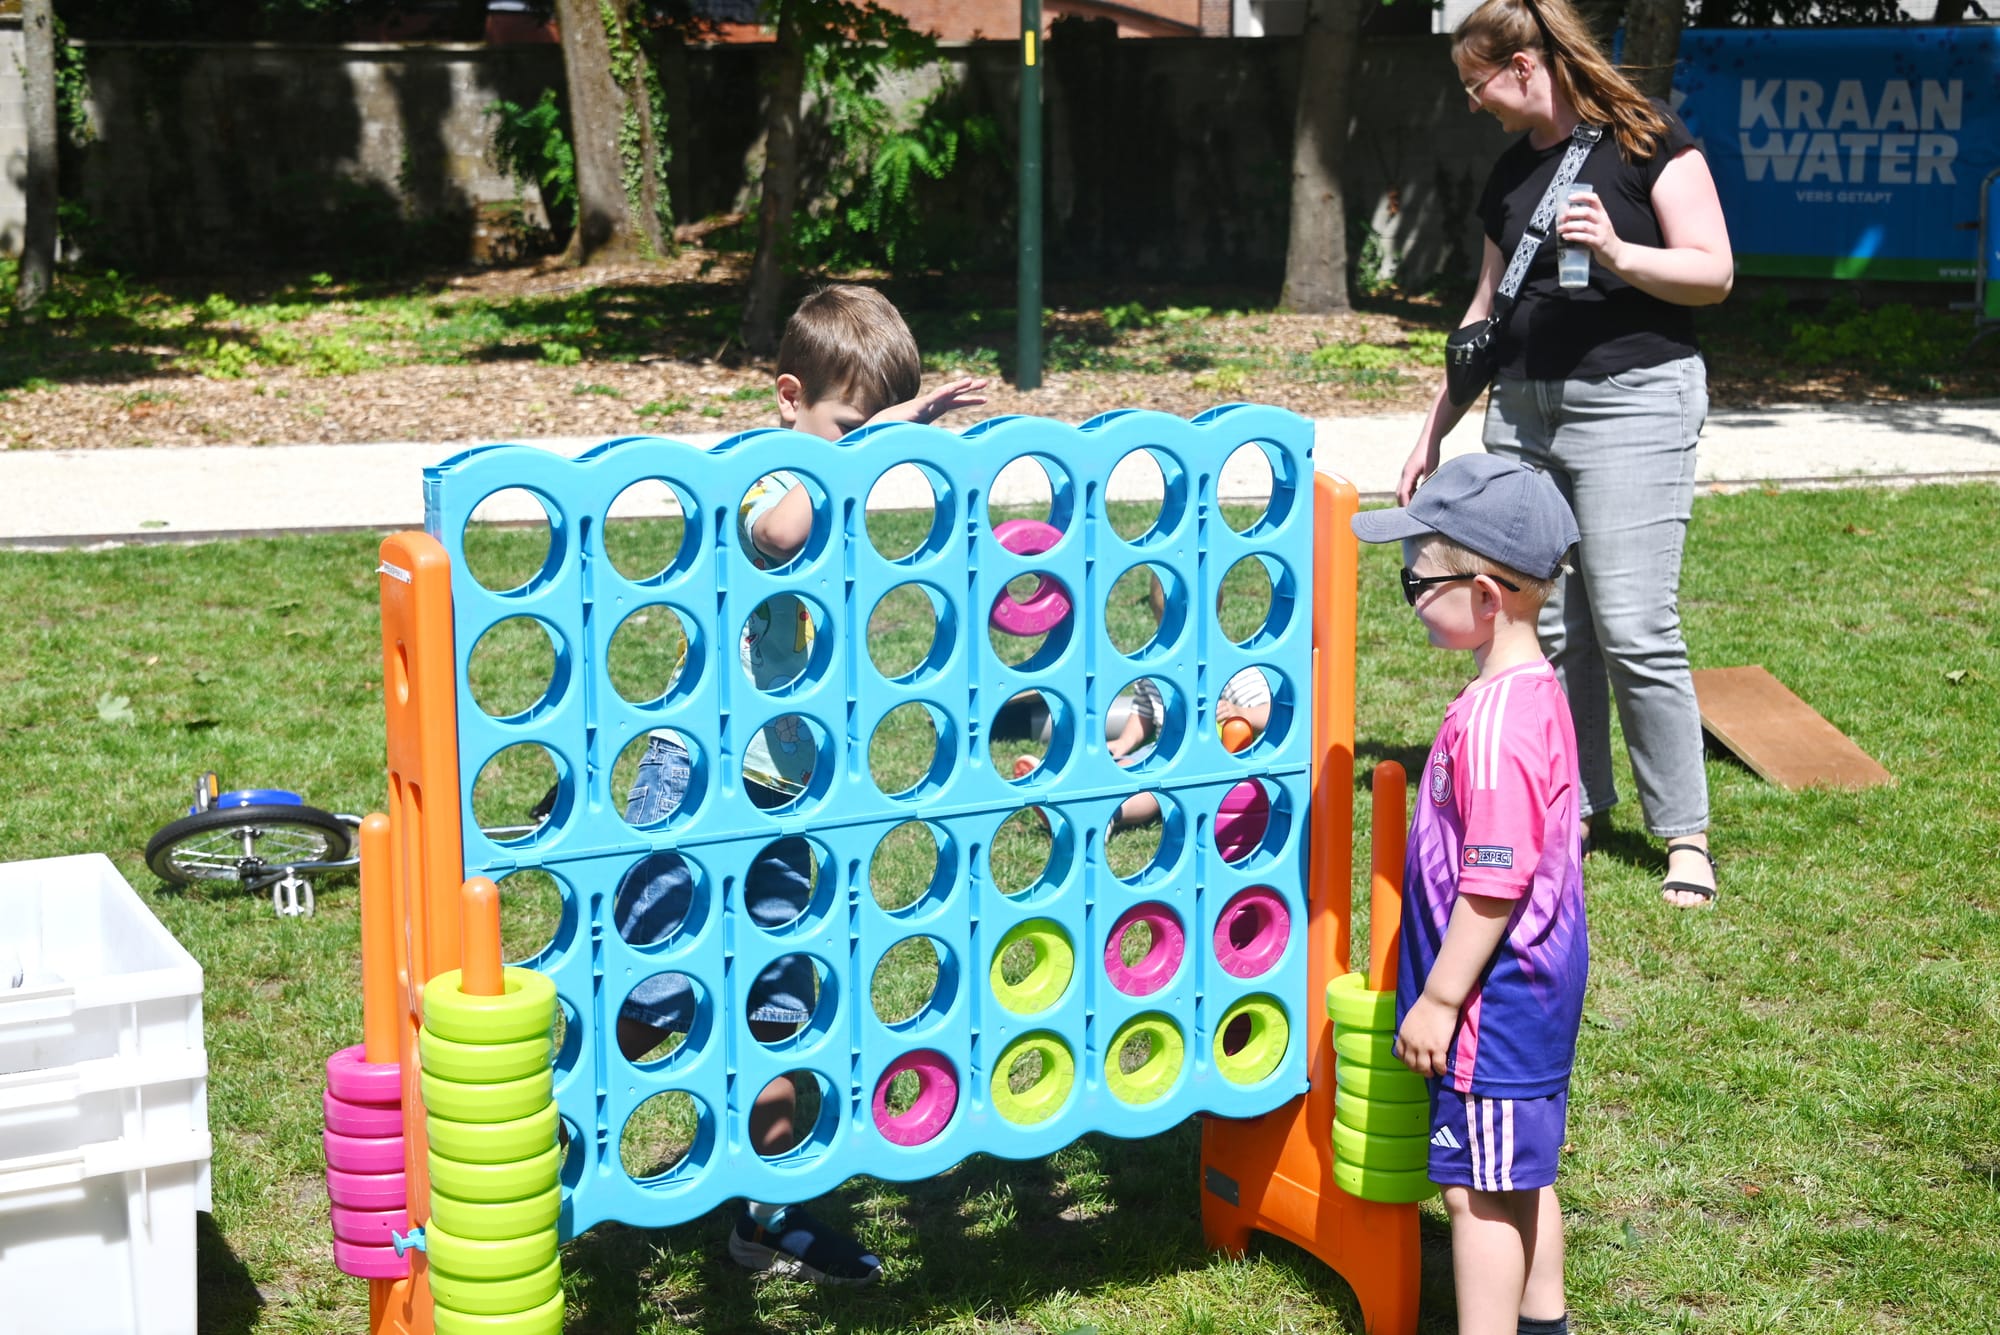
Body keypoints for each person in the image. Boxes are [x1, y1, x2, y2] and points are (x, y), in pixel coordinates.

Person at [615, 284, 987, 1284]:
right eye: (854, 428)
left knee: (780, 1004)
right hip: (696, 786)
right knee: (652, 994)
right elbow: (776, 536)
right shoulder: (759, 478)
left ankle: (766, 1217)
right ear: (789, 400)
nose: (871, 451)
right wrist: (867, 448)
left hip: (786, 794)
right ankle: (558, 1135)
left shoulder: (835, 480)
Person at [1397, 0, 1733, 908]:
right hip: (1523, 412)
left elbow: (1713, 271)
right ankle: (1575, 806)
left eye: (1476, 84)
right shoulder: (1511, 174)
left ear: (1523, 65)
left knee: (1631, 623)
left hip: (1633, 401)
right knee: (1543, 624)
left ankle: (1685, 835)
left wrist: (1618, 252)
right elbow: (1483, 313)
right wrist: (1435, 427)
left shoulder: (1646, 139)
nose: (1472, 103)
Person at [1352, 453, 1589, 1335]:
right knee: (1518, 1171)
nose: (1411, 597)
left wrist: (1441, 999)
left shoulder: (1495, 723)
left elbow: (1493, 883)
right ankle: (1543, 1320)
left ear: (1486, 596)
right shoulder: (1532, 690)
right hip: (1531, 986)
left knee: (1474, 1192)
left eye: (1416, 581)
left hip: (1494, 996)